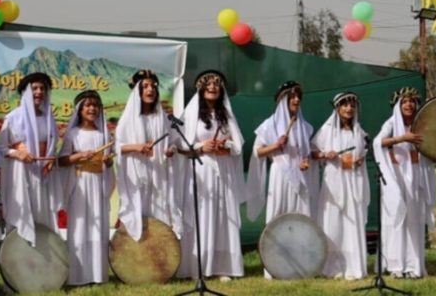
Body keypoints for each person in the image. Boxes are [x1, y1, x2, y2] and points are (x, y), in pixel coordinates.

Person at [176, 70, 246, 282]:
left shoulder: (226, 115)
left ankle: (222, 266)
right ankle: (198, 266)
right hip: (201, 170)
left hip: (223, 170)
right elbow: (180, 145)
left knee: (223, 214)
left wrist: (226, 146)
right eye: (209, 85)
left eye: (217, 84)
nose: (213, 87)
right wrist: (201, 147)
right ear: (201, 89)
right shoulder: (191, 115)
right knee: (202, 214)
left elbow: (238, 143)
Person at [373, 87, 436, 279]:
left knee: (414, 219)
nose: (409, 105)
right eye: (405, 102)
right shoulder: (392, 123)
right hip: (397, 176)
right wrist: (402, 138)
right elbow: (378, 142)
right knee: (397, 217)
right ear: (398, 106)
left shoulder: (422, 124)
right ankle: (395, 265)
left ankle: (413, 266)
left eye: (412, 101)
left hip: (416, 175)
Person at [115, 69, 181, 241]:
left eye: (153, 86)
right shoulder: (128, 119)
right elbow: (116, 147)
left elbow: (174, 142)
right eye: (145, 86)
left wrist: (170, 150)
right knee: (138, 215)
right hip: (136, 177)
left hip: (159, 175)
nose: (150, 90)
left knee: (160, 216)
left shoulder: (162, 118)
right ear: (138, 92)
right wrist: (136, 147)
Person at [0, 72, 62, 245]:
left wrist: (51, 158)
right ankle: (18, 257)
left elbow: (52, 145)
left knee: (42, 215)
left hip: (43, 175)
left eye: (42, 88)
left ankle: (44, 258)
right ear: (26, 92)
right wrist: (18, 153)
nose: (39, 92)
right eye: (34, 88)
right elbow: (1, 148)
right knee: (23, 213)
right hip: (22, 174)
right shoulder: (13, 117)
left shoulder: (49, 118)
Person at [59, 90, 115, 285]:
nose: (92, 109)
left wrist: (108, 162)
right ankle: (78, 276)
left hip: (98, 184)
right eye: (88, 105)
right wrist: (79, 156)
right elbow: (62, 160)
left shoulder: (103, 135)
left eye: (95, 106)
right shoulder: (73, 134)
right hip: (80, 184)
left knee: (98, 226)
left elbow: (109, 162)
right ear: (80, 110)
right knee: (80, 226)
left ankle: (97, 275)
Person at [311, 92, 370, 280]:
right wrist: (324, 155)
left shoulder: (359, 132)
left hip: (353, 182)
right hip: (334, 182)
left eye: (352, 105)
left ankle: (353, 266)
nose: (349, 108)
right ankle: (331, 267)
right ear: (337, 108)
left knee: (352, 222)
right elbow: (312, 152)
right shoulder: (327, 130)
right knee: (333, 222)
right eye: (345, 105)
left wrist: (360, 160)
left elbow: (363, 153)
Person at [247, 81, 318, 227]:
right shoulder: (269, 125)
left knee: (301, 216)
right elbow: (257, 152)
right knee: (278, 214)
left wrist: (305, 161)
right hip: (280, 174)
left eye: (298, 97)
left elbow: (305, 153)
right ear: (283, 100)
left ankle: (300, 242)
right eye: (292, 97)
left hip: (301, 175)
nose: (297, 100)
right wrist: (276, 145)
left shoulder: (305, 127)